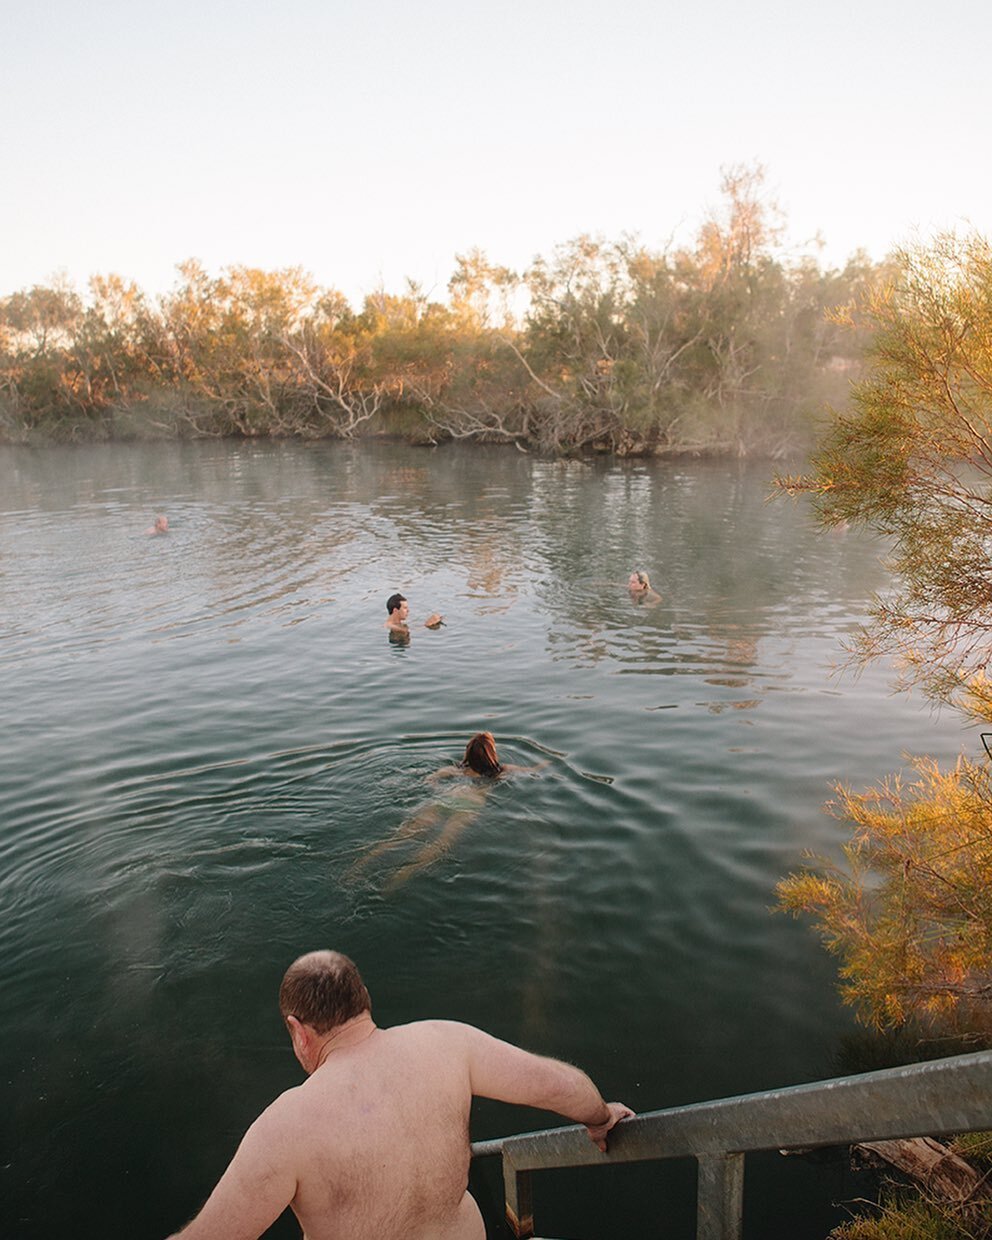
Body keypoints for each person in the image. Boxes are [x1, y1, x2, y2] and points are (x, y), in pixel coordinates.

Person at [167, 950, 633, 1240]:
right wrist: (599, 1115)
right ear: (365, 999)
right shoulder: (447, 1042)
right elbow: (557, 1085)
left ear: (297, 1030)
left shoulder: (285, 1128)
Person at [349, 733, 545, 889]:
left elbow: (430, 779)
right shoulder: (500, 771)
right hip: (470, 804)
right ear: (491, 755)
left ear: (468, 753)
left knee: (401, 836)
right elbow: (532, 770)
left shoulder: (458, 769)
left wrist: (438, 789)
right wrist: (547, 761)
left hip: (445, 799)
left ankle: (356, 870)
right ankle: (395, 881)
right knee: (438, 844)